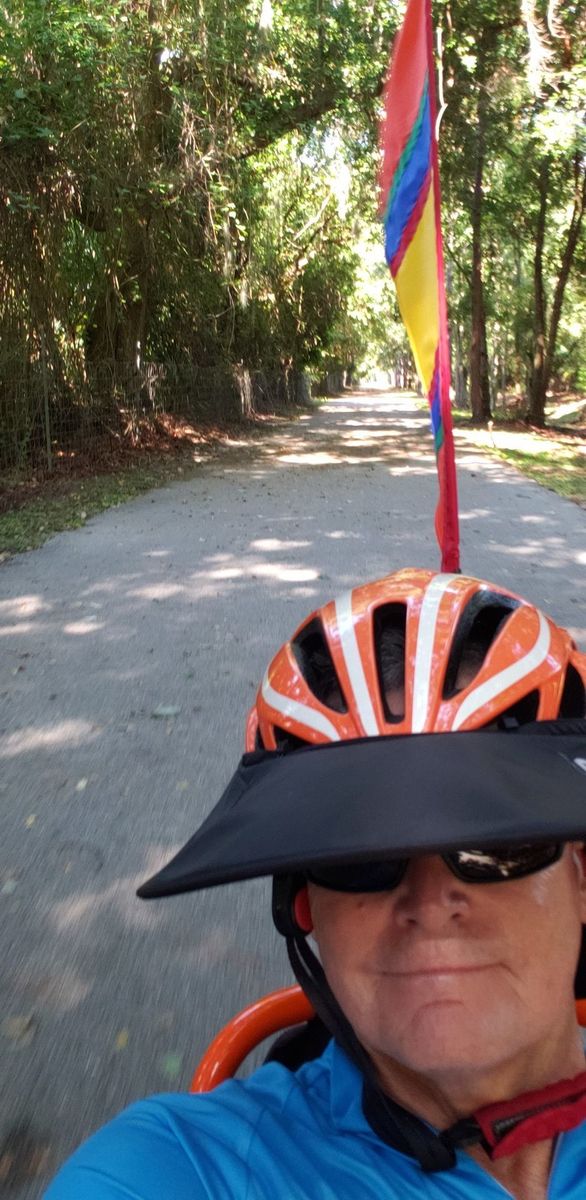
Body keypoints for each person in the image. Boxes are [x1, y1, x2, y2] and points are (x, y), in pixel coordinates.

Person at [45, 569, 586, 1200]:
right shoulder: (184, 1165)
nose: (431, 903)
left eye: (495, 842)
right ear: (304, 903)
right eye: (360, 854)